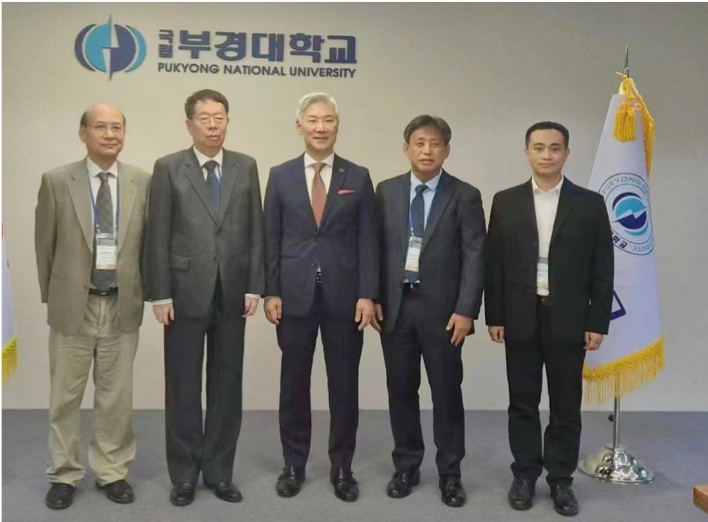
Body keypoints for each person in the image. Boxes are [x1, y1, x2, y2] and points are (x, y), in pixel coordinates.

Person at [485, 121, 614, 517]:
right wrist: (495, 315)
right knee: (522, 401)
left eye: (555, 148)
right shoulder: (505, 201)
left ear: (566, 154)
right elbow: (494, 263)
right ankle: (525, 474)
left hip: (570, 318)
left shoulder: (589, 203)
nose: (546, 155)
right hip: (519, 315)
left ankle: (560, 479)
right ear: (527, 152)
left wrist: (597, 321)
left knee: (565, 404)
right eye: (538, 147)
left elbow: (603, 267)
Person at [143, 89, 265, 507]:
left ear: (227, 121)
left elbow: (255, 230)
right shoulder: (168, 168)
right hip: (183, 293)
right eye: (205, 118)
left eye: (220, 118)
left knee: (227, 386)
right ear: (189, 124)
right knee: (182, 387)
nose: (213, 125)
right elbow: (157, 234)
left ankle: (219, 472)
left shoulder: (245, 166)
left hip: (232, 292)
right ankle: (183, 475)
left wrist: (254, 285)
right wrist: (159, 294)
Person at [35, 103, 151, 510]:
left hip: (121, 303)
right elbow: (45, 245)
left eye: (117, 127)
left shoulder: (142, 181)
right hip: (75, 306)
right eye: (100, 127)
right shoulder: (57, 181)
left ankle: (112, 471)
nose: (110, 134)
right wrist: (56, 297)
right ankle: (64, 473)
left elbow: (147, 245)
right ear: (83, 132)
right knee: (65, 397)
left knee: (115, 397)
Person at [263, 92, 378, 502]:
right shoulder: (280, 176)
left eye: (328, 120)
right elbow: (271, 237)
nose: (321, 127)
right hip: (293, 296)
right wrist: (271, 291)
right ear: (300, 127)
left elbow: (368, 240)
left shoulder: (358, 176)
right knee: (293, 384)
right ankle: (293, 464)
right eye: (313, 120)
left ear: (337, 126)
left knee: (344, 385)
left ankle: (342, 467)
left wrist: (368, 294)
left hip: (345, 299)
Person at [372, 115, 486, 508]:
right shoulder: (386, 192)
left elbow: (475, 256)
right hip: (396, 309)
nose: (427, 150)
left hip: (444, 314)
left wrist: (466, 310)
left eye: (435, 143)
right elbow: (374, 249)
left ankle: (450, 473)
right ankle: (406, 465)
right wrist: (373, 297)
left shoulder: (465, 195)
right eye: (419, 143)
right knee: (401, 390)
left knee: (446, 392)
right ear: (406, 149)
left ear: (447, 151)